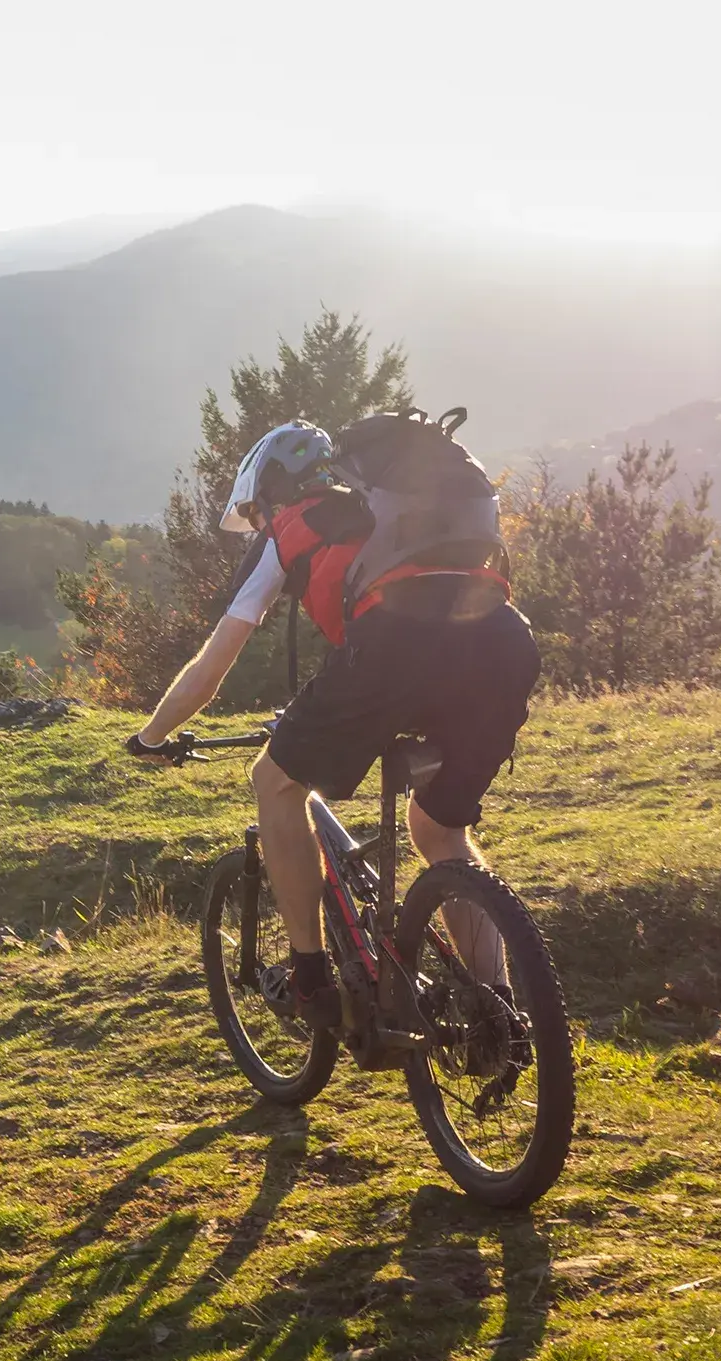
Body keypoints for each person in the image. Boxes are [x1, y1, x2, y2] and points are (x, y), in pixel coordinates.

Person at [125, 420, 540, 1030]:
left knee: (274, 783)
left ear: (270, 495)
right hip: (503, 642)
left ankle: (311, 978)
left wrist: (151, 736)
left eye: (256, 513)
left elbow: (210, 668)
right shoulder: (394, 510)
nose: (259, 525)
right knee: (438, 828)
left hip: (395, 648)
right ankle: (496, 1016)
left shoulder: (293, 527)